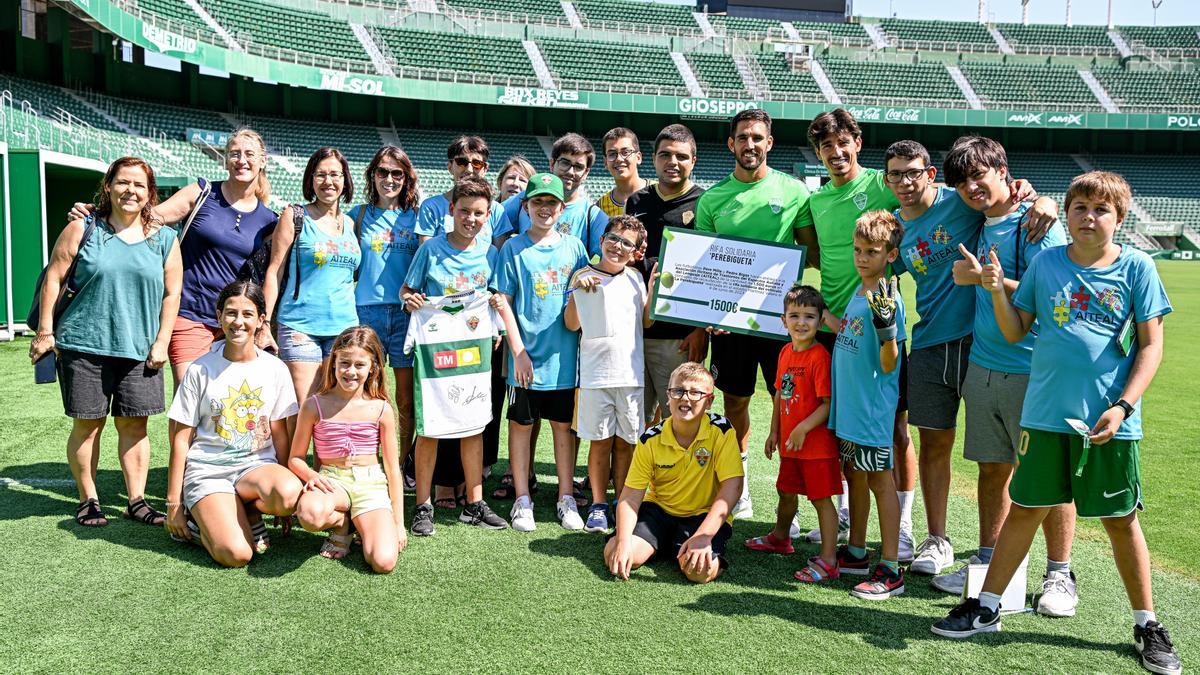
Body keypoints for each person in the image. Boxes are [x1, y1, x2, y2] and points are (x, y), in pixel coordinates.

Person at [932, 172, 1182, 675]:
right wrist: (995, 289)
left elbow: (1151, 346)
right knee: (1025, 509)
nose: (1089, 218)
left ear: (1120, 217)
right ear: (1066, 214)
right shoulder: (1046, 264)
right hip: (1044, 415)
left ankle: (1147, 624)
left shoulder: (1137, 267)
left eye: (1101, 210)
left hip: (1109, 421)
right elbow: (1014, 328)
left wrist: (1125, 405)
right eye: (1080, 207)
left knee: (1120, 520)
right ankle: (987, 606)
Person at [880, 136, 1060, 575]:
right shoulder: (897, 230)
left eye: (913, 172)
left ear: (930, 175)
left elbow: (1007, 194)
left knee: (1016, 460)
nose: (905, 181)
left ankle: (1048, 566)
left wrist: (1041, 198)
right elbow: (879, 267)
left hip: (987, 348)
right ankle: (938, 539)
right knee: (937, 443)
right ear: (886, 180)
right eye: (896, 174)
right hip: (929, 344)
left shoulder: (959, 202)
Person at [930, 137, 1078, 616]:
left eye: (980, 175)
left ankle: (1060, 574)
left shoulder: (1037, 225)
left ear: (1003, 171)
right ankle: (989, 564)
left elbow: (1058, 298)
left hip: (1034, 373)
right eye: (963, 180)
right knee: (992, 470)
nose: (972, 187)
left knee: (1048, 478)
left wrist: (990, 281)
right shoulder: (978, 222)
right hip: (984, 367)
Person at [30, 156, 182, 528]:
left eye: (139, 185)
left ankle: (137, 500)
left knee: (135, 427)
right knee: (88, 425)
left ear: (150, 194)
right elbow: (54, 278)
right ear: (109, 186)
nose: (130, 191)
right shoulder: (83, 228)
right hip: (84, 345)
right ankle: (89, 499)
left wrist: (162, 341)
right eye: (123, 182)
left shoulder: (165, 238)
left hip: (140, 350)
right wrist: (46, 331)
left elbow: (171, 294)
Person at [68, 128, 277, 387]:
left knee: (224, 402)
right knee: (190, 393)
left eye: (249, 154)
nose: (241, 160)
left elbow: (268, 274)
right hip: (189, 312)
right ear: (225, 159)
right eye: (234, 154)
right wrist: (95, 215)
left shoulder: (269, 221)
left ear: (262, 160)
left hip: (234, 321)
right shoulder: (202, 193)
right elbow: (146, 219)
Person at [694, 108, 811, 520]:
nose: (750, 145)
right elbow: (703, 266)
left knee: (790, 406)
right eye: (743, 137)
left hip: (783, 325)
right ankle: (737, 489)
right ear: (731, 144)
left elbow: (811, 250)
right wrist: (708, 308)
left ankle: (790, 505)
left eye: (758, 138)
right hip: (732, 327)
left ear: (769, 143)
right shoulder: (713, 199)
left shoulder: (794, 191)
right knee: (735, 403)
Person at [401, 175, 530, 536]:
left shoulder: (491, 254)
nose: (470, 219)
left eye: (478, 213)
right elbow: (408, 290)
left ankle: (474, 503)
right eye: (463, 211)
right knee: (431, 429)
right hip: (435, 352)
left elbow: (499, 298)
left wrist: (496, 316)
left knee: (473, 424)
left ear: (488, 215)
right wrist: (410, 300)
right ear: (451, 211)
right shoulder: (431, 250)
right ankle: (423, 504)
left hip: (475, 354)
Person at [164, 280, 302, 567]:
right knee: (237, 555)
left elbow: (279, 433)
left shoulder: (275, 369)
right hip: (209, 471)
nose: (238, 322)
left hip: (255, 468)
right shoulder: (199, 369)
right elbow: (180, 439)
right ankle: (198, 523)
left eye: (247, 314)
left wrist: (286, 487)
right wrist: (173, 503)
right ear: (219, 316)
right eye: (230, 313)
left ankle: (248, 512)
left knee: (289, 494)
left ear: (262, 320)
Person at [496, 173, 591, 532]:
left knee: (564, 429)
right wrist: (517, 351)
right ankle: (523, 498)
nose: (544, 208)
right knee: (521, 426)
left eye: (551, 202)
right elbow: (504, 301)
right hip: (526, 360)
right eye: (538, 202)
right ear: (526, 206)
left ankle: (565, 496)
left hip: (565, 359)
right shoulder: (513, 249)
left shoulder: (574, 248)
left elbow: (584, 299)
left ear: (562, 208)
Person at [603, 362, 743, 584]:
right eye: (678, 391)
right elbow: (630, 497)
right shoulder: (650, 438)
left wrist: (704, 535)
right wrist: (621, 542)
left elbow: (732, 486)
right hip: (659, 512)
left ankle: (679, 546)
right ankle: (659, 543)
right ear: (668, 396)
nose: (685, 398)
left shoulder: (722, 431)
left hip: (702, 515)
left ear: (709, 401)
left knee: (699, 573)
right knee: (620, 556)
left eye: (695, 393)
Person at [829, 210, 907, 600]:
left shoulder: (886, 297)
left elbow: (890, 361)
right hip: (850, 412)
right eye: (858, 250)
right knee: (853, 476)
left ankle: (891, 567)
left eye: (872, 251)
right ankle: (857, 550)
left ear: (890, 255)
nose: (862, 257)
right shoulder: (858, 291)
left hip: (871, 413)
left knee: (880, 482)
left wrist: (889, 332)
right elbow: (847, 333)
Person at [288, 326, 406, 573]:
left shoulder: (381, 409)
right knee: (309, 514)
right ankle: (343, 524)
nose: (350, 371)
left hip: (370, 484)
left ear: (372, 366)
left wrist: (398, 522)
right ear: (333, 363)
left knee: (383, 562)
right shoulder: (314, 406)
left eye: (359, 365)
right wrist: (314, 476)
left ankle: (361, 524)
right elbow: (295, 459)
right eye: (344, 363)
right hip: (332, 482)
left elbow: (393, 469)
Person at [744, 285, 841, 584]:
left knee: (821, 500)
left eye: (809, 316)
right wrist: (775, 430)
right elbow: (778, 394)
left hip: (817, 448)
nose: (801, 322)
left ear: (821, 321)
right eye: (794, 315)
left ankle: (828, 560)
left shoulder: (820, 357)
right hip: (790, 445)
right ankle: (780, 537)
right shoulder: (785, 352)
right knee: (786, 491)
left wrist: (802, 428)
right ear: (783, 320)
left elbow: (828, 405)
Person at [564, 215, 654, 533]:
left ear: (635, 251)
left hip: (631, 376)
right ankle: (600, 503)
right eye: (613, 238)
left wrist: (654, 293)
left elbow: (645, 323)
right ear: (602, 240)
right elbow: (572, 324)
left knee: (627, 443)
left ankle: (622, 501)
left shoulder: (635, 279)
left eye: (627, 243)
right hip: (595, 375)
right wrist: (580, 291)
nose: (618, 247)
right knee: (600, 442)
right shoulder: (583, 275)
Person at [263, 147, 361, 417]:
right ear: (310, 180)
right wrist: (264, 323)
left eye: (335, 174)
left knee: (336, 410)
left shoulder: (351, 224)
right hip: (299, 326)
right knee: (306, 408)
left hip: (344, 328)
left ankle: (322, 462)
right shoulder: (295, 217)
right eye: (321, 175)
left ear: (345, 180)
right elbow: (275, 272)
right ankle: (293, 461)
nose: (328, 181)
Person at [625, 124, 708, 425]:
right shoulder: (637, 201)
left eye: (681, 156)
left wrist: (699, 328)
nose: (673, 162)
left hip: (678, 335)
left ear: (693, 161)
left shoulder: (704, 203)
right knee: (635, 417)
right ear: (654, 158)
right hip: (634, 329)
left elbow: (709, 272)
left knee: (680, 415)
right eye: (666, 155)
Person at [352, 146, 421, 485]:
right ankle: (369, 460)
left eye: (397, 173)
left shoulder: (417, 216)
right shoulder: (359, 215)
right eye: (382, 172)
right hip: (367, 313)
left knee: (405, 399)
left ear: (406, 178)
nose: (389, 179)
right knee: (366, 393)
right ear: (373, 176)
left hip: (407, 314)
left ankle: (403, 461)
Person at [497, 133, 608, 256]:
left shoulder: (592, 215)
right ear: (552, 164)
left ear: (586, 173)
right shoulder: (525, 198)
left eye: (578, 167)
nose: (571, 172)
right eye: (565, 163)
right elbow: (491, 222)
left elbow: (609, 257)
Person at [416, 135, 508, 245]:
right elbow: (427, 253)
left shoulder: (496, 210)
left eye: (476, 163)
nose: (469, 170)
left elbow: (498, 256)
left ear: (485, 169)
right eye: (461, 162)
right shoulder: (431, 207)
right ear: (450, 167)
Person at [596, 127, 649, 217]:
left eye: (625, 152)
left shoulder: (660, 193)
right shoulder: (600, 208)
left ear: (638, 157)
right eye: (612, 154)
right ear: (605, 162)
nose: (619, 159)